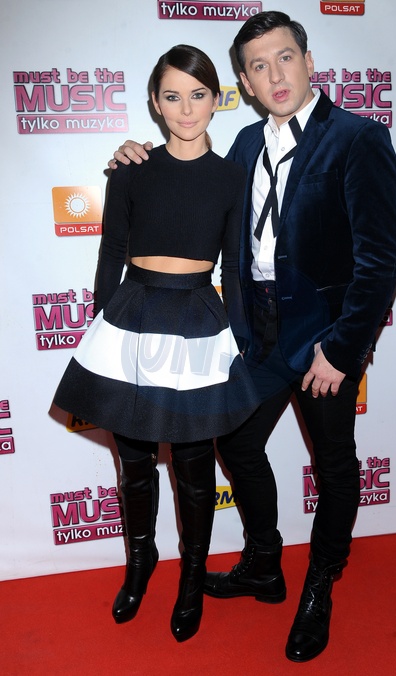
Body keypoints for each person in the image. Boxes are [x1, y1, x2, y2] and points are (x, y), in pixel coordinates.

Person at [108, 11, 396, 662]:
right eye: (259, 66)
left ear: (309, 60)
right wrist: (135, 157)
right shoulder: (243, 145)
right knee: (238, 444)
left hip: (325, 338)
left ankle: (320, 584)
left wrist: (343, 349)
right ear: (243, 82)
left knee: (334, 465)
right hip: (258, 335)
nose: (275, 74)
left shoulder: (358, 138)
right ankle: (265, 565)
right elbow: (190, 182)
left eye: (285, 57)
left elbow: (381, 261)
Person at [53, 44, 260, 643]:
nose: (186, 109)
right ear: (155, 102)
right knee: (135, 462)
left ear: (216, 99)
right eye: (173, 96)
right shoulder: (130, 170)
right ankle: (139, 564)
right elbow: (111, 253)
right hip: (133, 317)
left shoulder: (232, 177)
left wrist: (240, 339)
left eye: (198, 95)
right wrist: (102, 326)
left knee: (195, 467)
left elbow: (236, 267)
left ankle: (192, 578)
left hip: (197, 321)